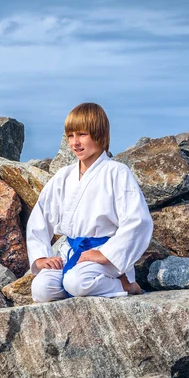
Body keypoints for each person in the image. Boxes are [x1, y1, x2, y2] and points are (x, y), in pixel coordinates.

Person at [27, 102, 153, 302]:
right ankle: (82, 284)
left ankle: (125, 284)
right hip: (71, 252)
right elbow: (40, 217)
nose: (75, 142)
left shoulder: (117, 172)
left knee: (77, 282)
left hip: (103, 255)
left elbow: (138, 221)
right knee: (41, 288)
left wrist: (105, 254)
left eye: (82, 134)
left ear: (100, 134)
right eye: (70, 136)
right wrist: (41, 256)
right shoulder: (64, 176)